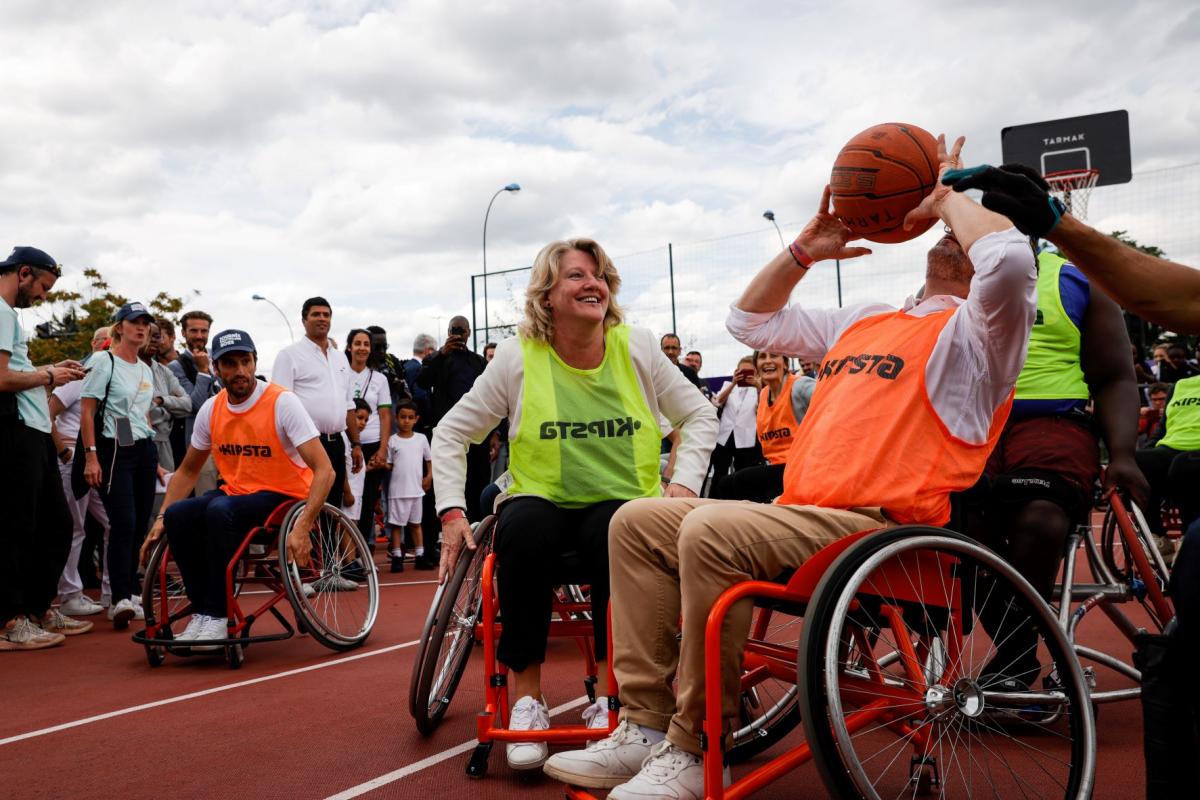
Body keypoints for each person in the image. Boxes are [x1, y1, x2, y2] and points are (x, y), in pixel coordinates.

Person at [545, 136, 1037, 798]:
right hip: (800, 518)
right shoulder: (865, 318)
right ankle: (643, 724)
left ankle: (696, 748)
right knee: (636, 522)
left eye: (967, 227)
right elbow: (747, 320)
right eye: (952, 218)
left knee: (710, 534)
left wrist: (947, 194)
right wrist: (808, 246)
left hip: (881, 530)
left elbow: (1005, 259)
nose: (955, 234)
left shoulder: (985, 335)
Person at [434, 237, 716, 772]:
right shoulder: (518, 356)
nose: (594, 284)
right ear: (546, 296)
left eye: (600, 276)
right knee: (522, 529)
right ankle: (527, 701)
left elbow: (699, 416)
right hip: (543, 498)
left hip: (621, 503)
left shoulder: (638, 347)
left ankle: (613, 700)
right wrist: (451, 513)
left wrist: (683, 486)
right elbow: (450, 433)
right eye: (578, 276)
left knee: (620, 531)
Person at [963, 164, 1147, 690]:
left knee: (1040, 521)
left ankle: (1014, 661)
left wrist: (1125, 455)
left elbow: (1114, 375)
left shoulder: (1075, 276)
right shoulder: (954, 279)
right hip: (973, 429)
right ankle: (1018, 657)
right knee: (956, 533)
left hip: (1051, 421)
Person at [140, 329, 334, 649]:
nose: (240, 370)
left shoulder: (282, 402)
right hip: (237, 493)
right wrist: (160, 519)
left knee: (219, 510)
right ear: (216, 369)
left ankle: (217, 614)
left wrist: (304, 525)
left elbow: (325, 470)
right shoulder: (212, 409)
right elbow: (188, 470)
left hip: (284, 495)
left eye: (246, 361)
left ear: (255, 361)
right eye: (230, 363)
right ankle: (204, 610)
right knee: (178, 514)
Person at [0, 246, 88, 650]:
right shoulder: (1, 312)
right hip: (18, 431)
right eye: (44, 287)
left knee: (54, 523)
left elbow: (17, 374)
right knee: (20, 525)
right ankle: (11, 620)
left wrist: (50, 376)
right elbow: (1, 379)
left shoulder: (9, 317)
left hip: (33, 428)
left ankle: (35, 608)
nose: (43, 297)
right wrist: (49, 373)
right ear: (23, 273)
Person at [80, 302, 160, 629]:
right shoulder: (104, 361)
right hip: (112, 449)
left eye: (146, 324)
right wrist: (91, 456)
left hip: (141, 446)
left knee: (140, 523)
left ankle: (131, 592)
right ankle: (118, 599)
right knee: (123, 523)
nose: (141, 329)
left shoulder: (145, 367)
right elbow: (87, 411)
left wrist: (152, 458)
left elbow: (140, 413)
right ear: (120, 326)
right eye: (134, 323)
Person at [271, 297, 360, 509]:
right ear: (304, 320)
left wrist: (356, 444)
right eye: (316, 314)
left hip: (338, 443)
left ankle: (328, 545)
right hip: (306, 444)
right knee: (307, 506)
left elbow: (348, 405)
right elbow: (277, 405)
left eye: (326, 314)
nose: (322, 318)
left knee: (333, 507)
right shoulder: (289, 355)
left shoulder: (340, 358)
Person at [711, 351, 813, 503]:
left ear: (785, 364)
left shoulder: (800, 386)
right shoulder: (764, 394)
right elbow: (717, 402)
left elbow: (832, 399)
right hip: (773, 464)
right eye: (762, 357)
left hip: (800, 466)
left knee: (731, 483)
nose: (768, 361)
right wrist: (734, 383)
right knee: (726, 481)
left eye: (774, 356)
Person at [49, 375, 112, 618]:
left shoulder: (124, 380)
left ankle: (113, 590)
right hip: (74, 460)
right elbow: (47, 412)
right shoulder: (79, 380)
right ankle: (70, 595)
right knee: (74, 527)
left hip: (103, 462)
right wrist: (63, 450)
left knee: (115, 522)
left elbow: (127, 421)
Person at [418, 316, 488, 521]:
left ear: (469, 333)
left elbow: (493, 395)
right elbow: (422, 382)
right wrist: (441, 354)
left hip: (477, 433)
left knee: (478, 483)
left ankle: (479, 530)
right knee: (448, 484)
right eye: (453, 330)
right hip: (447, 433)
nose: (458, 334)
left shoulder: (479, 362)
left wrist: (493, 434)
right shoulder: (436, 360)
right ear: (448, 333)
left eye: (461, 330)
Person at [346, 329, 393, 543]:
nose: (362, 348)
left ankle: (364, 549)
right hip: (347, 444)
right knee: (347, 500)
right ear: (349, 347)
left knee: (368, 500)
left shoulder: (380, 379)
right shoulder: (340, 374)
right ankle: (345, 553)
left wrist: (383, 450)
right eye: (357, 343)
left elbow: (385, 415)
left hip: (372, 445)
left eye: (366, 344)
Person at [168, 310, 219, 492]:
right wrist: (204, 371)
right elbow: (195, 405)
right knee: (205, 493)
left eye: (204, 331)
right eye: (194, 331)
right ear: (183, 333)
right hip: (200, 442)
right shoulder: (176, 367)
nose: (199, 336)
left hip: (228, 437)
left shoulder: (219, 356)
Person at [385, 400, 432, 572]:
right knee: (397, 525)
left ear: (416, 419)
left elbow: (429, 459)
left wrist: (429, 476)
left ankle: (420, 555)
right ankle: (397, 556)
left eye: (410, 417)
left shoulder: (421, 439)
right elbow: (389, 464)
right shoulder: (392, 440)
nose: (406, 421)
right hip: (398, 491)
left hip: (416, 490)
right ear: (396, 418)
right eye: (403, 417)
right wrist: (380, 464)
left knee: (416, 524)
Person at [706, 356, 762, 494]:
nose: (745, 375)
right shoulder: (728, 385)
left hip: (746, 437)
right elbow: (717, 402)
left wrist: (758, 387)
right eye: (742, 372)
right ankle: (715, 498)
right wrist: (733, 384)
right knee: (720, 471)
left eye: (750, 372)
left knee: (743, 472)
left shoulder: (761, 389)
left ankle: (739, 500)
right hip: (725, 435)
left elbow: (762, 409)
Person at [142, 321, 192, 470]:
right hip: (133, 445)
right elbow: (124, 414)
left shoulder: (164, 372)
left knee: (165, 492)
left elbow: (187, 405)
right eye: (148, 335)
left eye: (156, 336)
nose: (153, 340)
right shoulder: (122, 369)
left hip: (164, 446)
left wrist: (162, 400)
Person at [341, 398, 371, 533]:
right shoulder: (344, 437)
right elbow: (340, 466)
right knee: (348, 529)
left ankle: (350, 555)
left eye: (366, 420)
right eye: (359, 418)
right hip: (349, 493)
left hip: (356, 494)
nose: (363, 423)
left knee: (352, 527)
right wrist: (347, 492)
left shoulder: (355, 442)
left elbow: (353, 470)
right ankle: (350, 556)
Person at [1138, 382, 1171, 448]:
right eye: (1154, 400)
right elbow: (1136, 431)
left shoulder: (1177, 412)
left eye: (1162, 399)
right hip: (1153, 447)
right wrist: (1139, 416)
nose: (1158, 403)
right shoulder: (1148, 414)